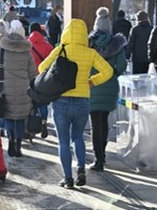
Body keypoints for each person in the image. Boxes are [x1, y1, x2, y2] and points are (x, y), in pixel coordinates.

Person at [38, 18, 113, 189]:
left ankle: (67, 178)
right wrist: (92, 81)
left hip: (61, 101)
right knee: (78, 136)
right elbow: (108, 71)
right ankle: (81, 169)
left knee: (63, 141)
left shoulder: (60, 50)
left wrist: (56, 77)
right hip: (82, 101)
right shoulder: (90, 53)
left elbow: (41, 68)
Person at [88, 7, 127, 172]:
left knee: (94, 123)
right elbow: (122, 66)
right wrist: (112, 74)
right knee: (104, 122)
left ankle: (98, 159)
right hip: (110, 87)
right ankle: (102, 155)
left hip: (92, 85)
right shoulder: (116, 44)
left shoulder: (89, 43)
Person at [0, 19, 36, 157]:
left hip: (6, 89)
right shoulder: (27, 52)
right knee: (20, 118)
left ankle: (10, 141)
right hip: (24, 90)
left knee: (9, 117)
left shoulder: (2, 52)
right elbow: (32, 73)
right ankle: (18, 144)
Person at [27, 22, 54, 138]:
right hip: (43, 78)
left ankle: (31, 126)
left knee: (30, 103)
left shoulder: (26, 45)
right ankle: (43, 122)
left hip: (30, 78)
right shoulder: (48, 46)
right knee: (42, 103)